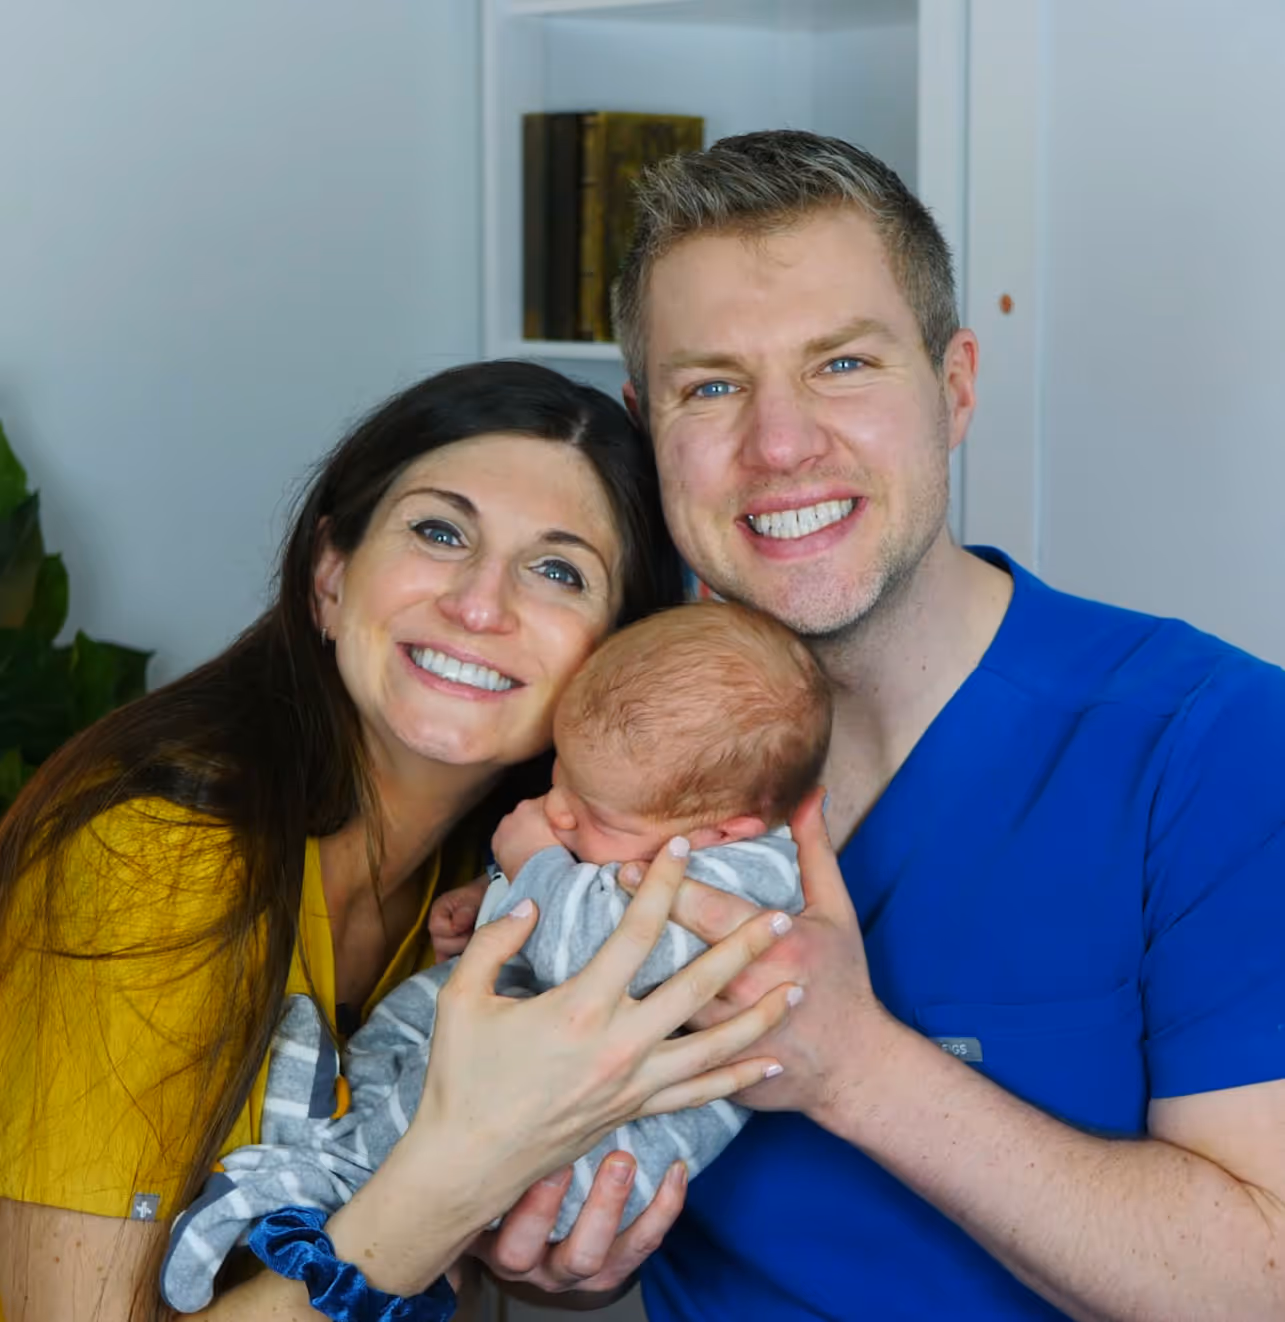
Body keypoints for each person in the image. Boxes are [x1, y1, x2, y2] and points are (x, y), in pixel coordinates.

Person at [454, 132, 1285, 1319]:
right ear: (647, 427)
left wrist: (857, 1070)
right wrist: (571, 1245)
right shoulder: (603, 734)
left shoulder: (1212, 743)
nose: (780, 444)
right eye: (712, 385)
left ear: (953, 386)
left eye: (841, 363)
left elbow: (1262, 1278)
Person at [0, 361, 803, 1322]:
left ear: (617, 661)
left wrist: (545, 1230)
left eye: (558, 570)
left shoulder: (499, 888)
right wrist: (469, 1166)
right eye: (438, 531)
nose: (478, 603)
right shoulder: (158, 856)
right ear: (331, 578)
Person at [158, 598, 830, 1310]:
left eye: (596, 814)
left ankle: (309, 1176)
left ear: (726, 830)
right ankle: (344, 1117)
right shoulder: (678, 828)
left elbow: (599, 951)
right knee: (430, 1005)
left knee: (445, 1068)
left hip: (584, 1163)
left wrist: (534, 862)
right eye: (561, 776)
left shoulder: (752, 877)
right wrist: (495, 897)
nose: (560, 811)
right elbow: (585, 893)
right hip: (544, 1078)